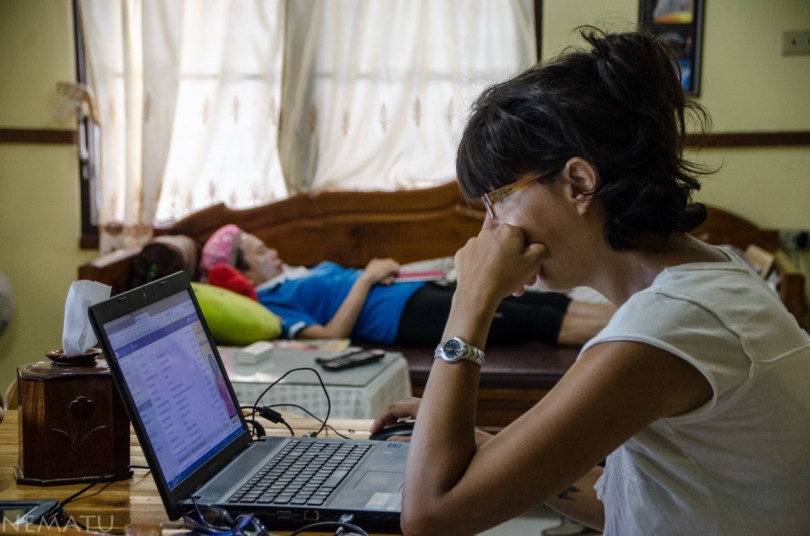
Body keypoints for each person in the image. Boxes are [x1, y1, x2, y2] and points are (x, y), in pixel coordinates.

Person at [370, 27, 810, 535]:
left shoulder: (666, 328)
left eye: (496, 201)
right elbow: (640, 503)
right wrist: (494, 452)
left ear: (579, 183)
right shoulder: (715, 278)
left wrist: (470, 300)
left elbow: (431, 515)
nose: (489, 231)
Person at [199, 224, 614, 347]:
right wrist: (366, 279)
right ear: (244, 274)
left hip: (411, 293)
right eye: (260, 252)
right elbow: (329, 336)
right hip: (400, 319)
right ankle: (632, 336)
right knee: (535, 321)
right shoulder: (271, 303)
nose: (272, 251)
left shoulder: (292, 275)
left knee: (545, 303)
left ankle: (631, 315)